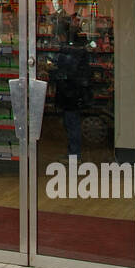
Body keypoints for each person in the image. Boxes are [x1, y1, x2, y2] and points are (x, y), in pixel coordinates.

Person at [51, 13, 92, 159]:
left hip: (71, 92)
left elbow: (68, 68)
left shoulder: (71, 51)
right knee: (71, 123)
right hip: (72, 91)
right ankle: (73, 152)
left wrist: (56, 64)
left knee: (72, 123)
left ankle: (74, 154)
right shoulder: (77, 49)